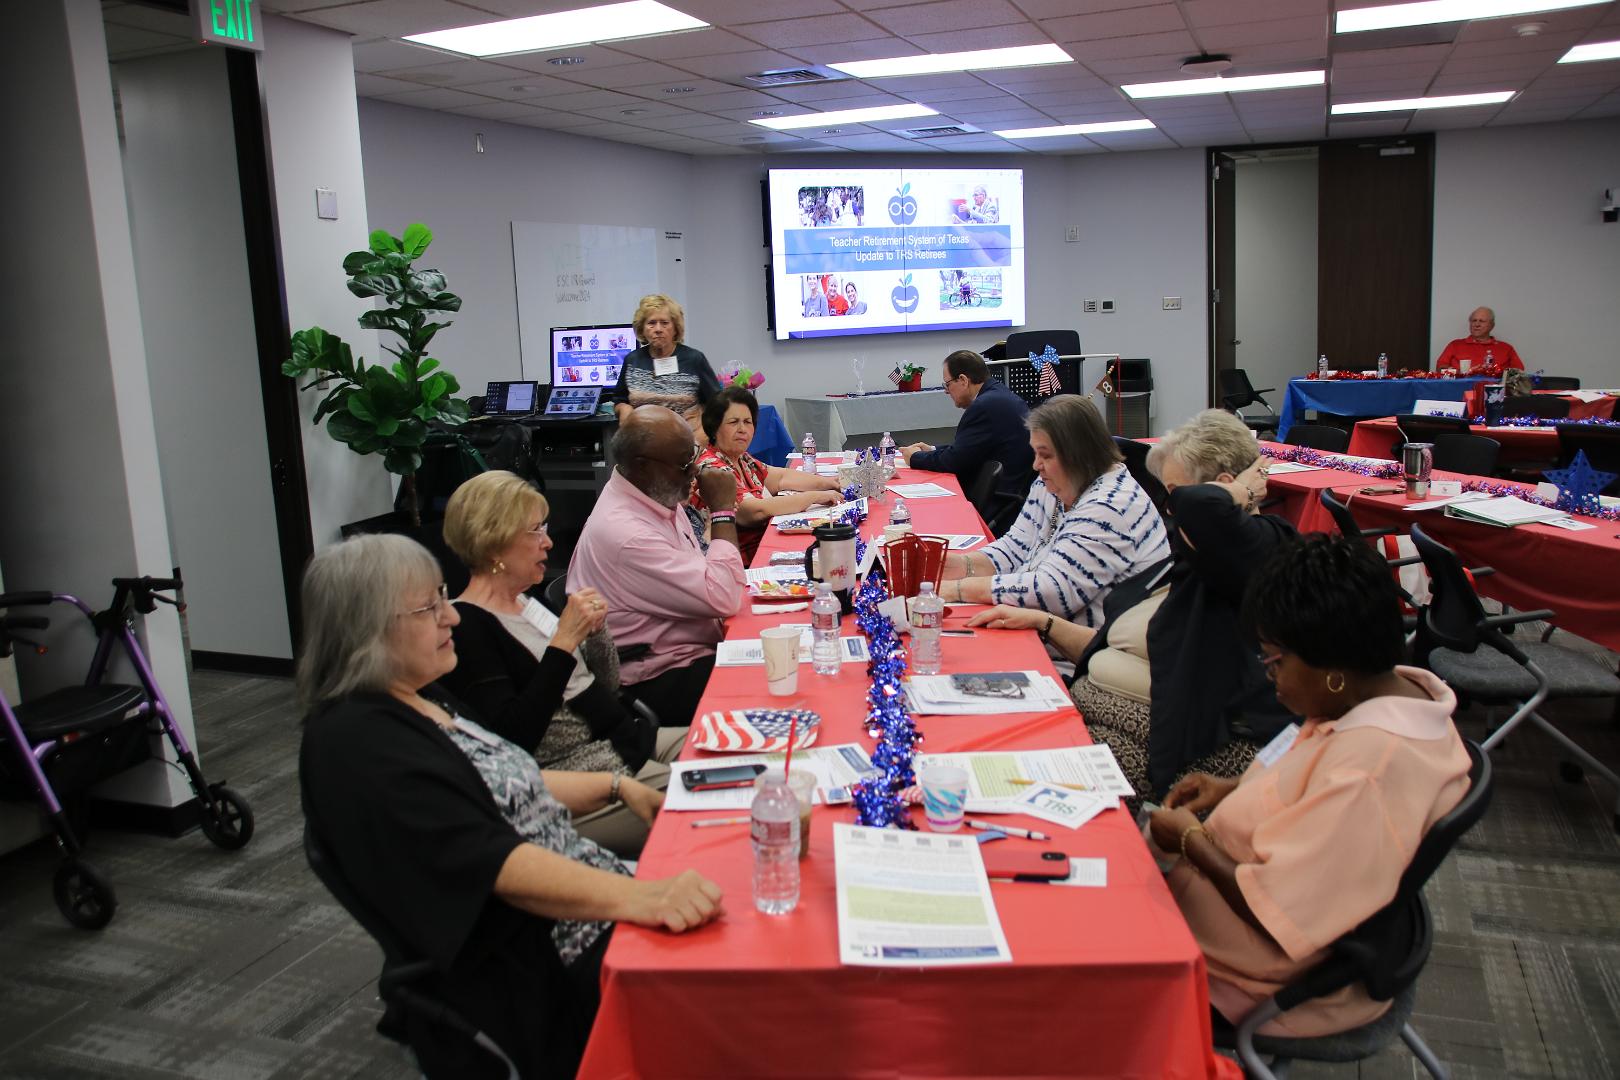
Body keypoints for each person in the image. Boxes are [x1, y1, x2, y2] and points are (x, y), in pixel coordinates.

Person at [298, 534, 723, 1077]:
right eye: (429, 608)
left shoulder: (418, 694)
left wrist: (616, 788)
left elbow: (502, 779)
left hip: (588, 894)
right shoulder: (358, 744)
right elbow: (494, 864)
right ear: (366, 630)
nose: (452, 617)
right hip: (552, 954)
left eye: (444, 597)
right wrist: (643, 896)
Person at [1147, 534, 1470, 1039]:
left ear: (1333, 670)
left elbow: (1275, 910)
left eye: (1275, 660)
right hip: (1256, 908)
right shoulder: (1379, 691)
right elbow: (1306, 771)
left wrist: (1189, 839)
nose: (1269, 676)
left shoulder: (1367, 770)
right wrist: (1232, 787)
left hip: (1256, 974)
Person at [968, 409, 1296, 800]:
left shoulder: (1258, 552)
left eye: (1174, 494)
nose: (1170, 510)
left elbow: (1200, 507)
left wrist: (1242, 490)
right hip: (1097, 716)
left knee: (999, 768)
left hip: (1170, 750)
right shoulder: (1192, 556)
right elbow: (1108, 644)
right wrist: (1043, 623)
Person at [438, 471, 689, 856]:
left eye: (545, 527)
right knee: (718, 798)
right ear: (494, 545)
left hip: (622, 738)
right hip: (584, 770)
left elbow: (605, 686)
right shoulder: (469, 626)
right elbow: (514, 737)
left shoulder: (526, 602)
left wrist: (597, 633)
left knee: (746, 750)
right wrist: (565, 640)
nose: (548, 542)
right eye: (534, 531)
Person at [568, 406, 745, 727]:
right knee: (770, 684)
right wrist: (722, 511)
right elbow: (724, 597)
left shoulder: (651, 492)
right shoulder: (628, 534)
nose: (695, 471)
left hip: (687, 651)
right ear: (642, 465)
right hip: (657, 675)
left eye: (694, 455)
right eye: (684, 464)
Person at [936, 395, 1169, 625]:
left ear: (1078, 454)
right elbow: (1016, 547)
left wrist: (956, 589)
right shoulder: (1055, 482)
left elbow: (1053, 592)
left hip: (1086, 644)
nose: (1036, 465)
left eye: (1045, 455)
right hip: (1045, 627)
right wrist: (960, 565)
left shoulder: (1109, 507)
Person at [690, 387, 842, 564]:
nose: (742, 429)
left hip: (757, 547)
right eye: (733, 422)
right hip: (738, 562)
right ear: (714, 428)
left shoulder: (741, 458)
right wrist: (815, 496)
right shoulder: (712, 466)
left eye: (748, 422)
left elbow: (780, 478)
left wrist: (830, 483)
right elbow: (755, 511)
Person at [900, 350, 1036, 499]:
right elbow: (970, 448)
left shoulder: (984, 406)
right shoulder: (997, 395)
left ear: (963, 380)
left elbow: (954, 462)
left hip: (997, 499)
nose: (946, 391)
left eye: (948, 384)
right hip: (1012, 489)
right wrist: (932, 450)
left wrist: (915, 457)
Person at [607, 294, 721, 431]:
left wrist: (704, 432)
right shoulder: (632, 360)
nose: (658, 329)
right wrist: (623, 409)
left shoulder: (694, 359)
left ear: (675, 328)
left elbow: (717, 405)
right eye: (651, 323)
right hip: (642, 439)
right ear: (642, 328)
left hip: (687, 439)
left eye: (665, 323)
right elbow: (619, 399)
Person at [1435, 306, 1524, 370]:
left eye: (1482, 321)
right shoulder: (1455, 345)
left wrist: (1496, 373)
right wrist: (1463, 373)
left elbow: (1519, 373)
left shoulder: (1506, 348)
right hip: (1461, 389)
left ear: (1492, 325)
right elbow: (1440, 368)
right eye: (1474, 320)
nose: (1477, 324)